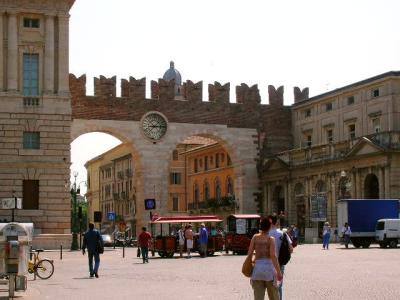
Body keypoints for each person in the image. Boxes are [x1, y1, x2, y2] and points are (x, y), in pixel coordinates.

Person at [247, 217, 283, 300]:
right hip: (269, 271)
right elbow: (273, 256)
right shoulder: (271, 239)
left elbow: (249, 254)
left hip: (257, 270)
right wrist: (279, 272)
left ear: (261, 226)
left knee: (258, 298)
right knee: (274, 297)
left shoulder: (255, 237)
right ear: (270, 226)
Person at [269, 215, 293, 300]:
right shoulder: (283, 234)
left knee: (268, 286)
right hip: (280, 263)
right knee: (279, 286)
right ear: (277, 223)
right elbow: (291, 249)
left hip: (267, 264)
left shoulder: (265, 234)